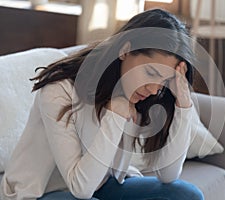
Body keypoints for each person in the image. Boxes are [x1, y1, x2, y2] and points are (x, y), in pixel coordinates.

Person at [0, 9, 205, 200]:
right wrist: (115, 115)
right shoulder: (59, 89)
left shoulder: (146, 94)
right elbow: (80, 188)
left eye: (164, 82)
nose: (154, 89)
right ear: (125, 49)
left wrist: (183, 105)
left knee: (187, 195)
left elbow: (168, 175)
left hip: (102, 184)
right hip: (41, 192)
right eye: (151, 73)